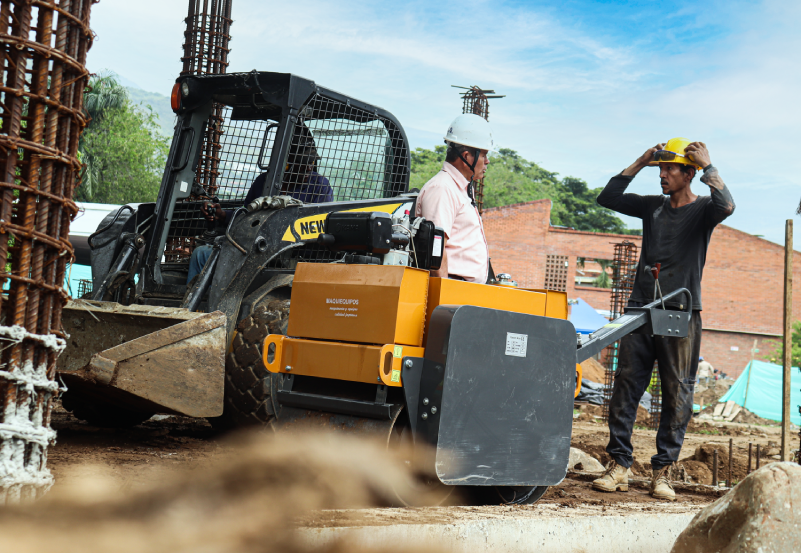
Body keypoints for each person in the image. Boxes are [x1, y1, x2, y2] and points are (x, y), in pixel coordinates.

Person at [591, 138, 735, 501]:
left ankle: (662, 473)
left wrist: (708, 166)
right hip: (642, 309)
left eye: (671, 168)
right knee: (626, 386)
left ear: (688, 173)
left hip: (681, 312)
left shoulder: (702, 210)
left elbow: (727, 205)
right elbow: (607, 198)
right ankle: (619, 466)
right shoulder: (652, 207)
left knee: (677, 394)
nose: (663, 175)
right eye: (661, 168)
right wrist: (641, 160)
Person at [186, 138, 333, 283]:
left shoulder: (321, 187)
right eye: (303, 162)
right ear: (288, 161)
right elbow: (247, 216)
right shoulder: (264, 182)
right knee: (200, 255)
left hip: (291, 256)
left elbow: (318, 226)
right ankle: (195, 304)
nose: (308, 167)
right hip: (252, 249)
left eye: (311, 162)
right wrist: (222, 215)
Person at [415, 114, 494, 283]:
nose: (487, 161)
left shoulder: (460, 189)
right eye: (484, 155)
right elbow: (436, 250)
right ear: (466, 156)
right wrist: (445, 298)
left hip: (462, 290)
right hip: (452, 288)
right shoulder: (442, 188)